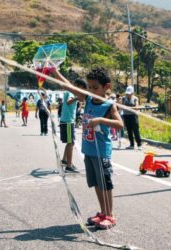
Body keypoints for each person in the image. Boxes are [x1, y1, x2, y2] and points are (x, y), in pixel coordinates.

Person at [52, 67, 124, 230]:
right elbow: (68, 85)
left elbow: (120, 124)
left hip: (101, 153)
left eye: (95, 87)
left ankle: (110, 215)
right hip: (89, 152)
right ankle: (103, 212)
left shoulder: (109, 106)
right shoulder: (88, 99)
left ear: (107, 87)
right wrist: (54, 71)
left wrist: (100, 120)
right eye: (89, 87)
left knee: (105, 184)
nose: (91, 90)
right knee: (96, 184)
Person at [60, 78, 87, 173]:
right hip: (67, 121)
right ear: (78, 86)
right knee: (71, 142)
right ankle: (69, 165)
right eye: (82, 88)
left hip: (68, 120)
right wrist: (77, 98)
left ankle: (64, 160)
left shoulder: (70, 92)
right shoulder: (71, 92)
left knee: (69, 142)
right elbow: (68, 101)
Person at [122, 85, 142, 150]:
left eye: (129, 93)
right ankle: (131, 144)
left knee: (136, 130)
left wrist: (127, 107)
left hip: (133, 116)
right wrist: (130, 107)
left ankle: (139, 144)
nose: (128, 95)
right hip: (126, 116)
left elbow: (136, 107)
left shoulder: (135, 98)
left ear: (132, 93)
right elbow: (121, 106)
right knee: (129, 130)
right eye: (127, 93)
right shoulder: (123, 98)